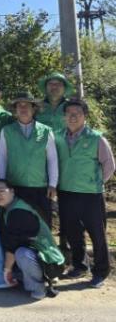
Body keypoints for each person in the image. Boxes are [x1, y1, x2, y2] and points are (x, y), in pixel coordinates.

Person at [54, 98, 115, 288]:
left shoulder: (96, 138)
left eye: (77, 113)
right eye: (69, 113)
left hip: (91, 194)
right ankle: (80, 266)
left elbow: (109, 165)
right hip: (66, 192)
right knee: (73, 233)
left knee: (97, 235)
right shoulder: (58, 137)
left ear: (85, 116)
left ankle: (101, 272)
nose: (73, 117)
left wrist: (95, 182)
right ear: (64, 116)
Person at [0, 181, 64, 300]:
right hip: (35, 254)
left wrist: (7, 271)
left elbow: (13, 246)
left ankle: (39, 288)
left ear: (12, 191)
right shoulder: (9, 207)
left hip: (49, 261)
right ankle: (24, 278)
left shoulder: (18, 211)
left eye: (1, 191)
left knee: (21, 253)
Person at [0, 92, 58, 225]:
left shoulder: (46, 131)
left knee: (42, 223)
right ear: (15, 110)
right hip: (15, 186)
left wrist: (53, 184)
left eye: (27, 105)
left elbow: (52, 159)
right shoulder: (7, 131)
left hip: (39, 187)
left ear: (33, 109)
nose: (23, 108)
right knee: (17, 223)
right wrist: (2, 182)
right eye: (20, 105)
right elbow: (2, 157)